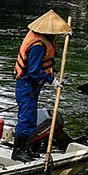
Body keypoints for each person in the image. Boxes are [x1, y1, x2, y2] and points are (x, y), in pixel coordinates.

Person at [12, 10, 70, 161]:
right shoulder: (38, 45)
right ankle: (18, 151)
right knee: (27, 116)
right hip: (26, 84)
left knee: (30, 116)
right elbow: (33, 70)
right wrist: (51, 81)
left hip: (31, 84)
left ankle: (28, 148)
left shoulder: (45, 38)